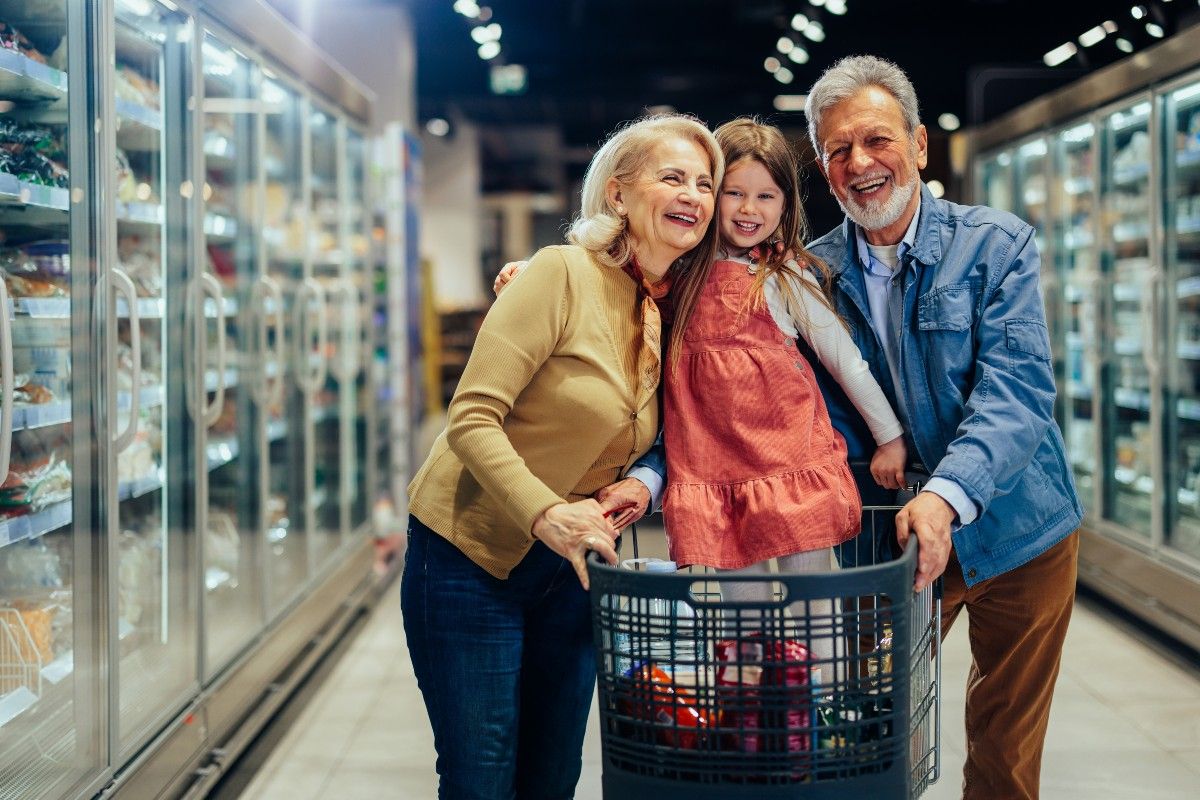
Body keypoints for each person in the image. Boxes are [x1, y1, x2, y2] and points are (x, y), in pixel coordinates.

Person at [402, 113, 723, 800]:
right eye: (672, 177)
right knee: (481, 773)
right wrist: (546, 512)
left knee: (552, 775)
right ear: (617, 194)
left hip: (574, 570)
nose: (693, 194)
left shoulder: (675, 309)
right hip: (470, 555)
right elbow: (471, 417)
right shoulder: (558, 274)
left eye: (704, 182)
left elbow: (672, 434)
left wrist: (643, 480)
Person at [803, 56, 1082, 799]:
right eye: (837, 150)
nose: (859, 163)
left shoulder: (997, 245)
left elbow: (1017, 389)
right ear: (824, 168)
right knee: (870, 736)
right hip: (885, 539)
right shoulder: (808, 278)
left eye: (877, 140)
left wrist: (948, 492)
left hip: (1021, 528)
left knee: (1004, 748)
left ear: (920, 145)